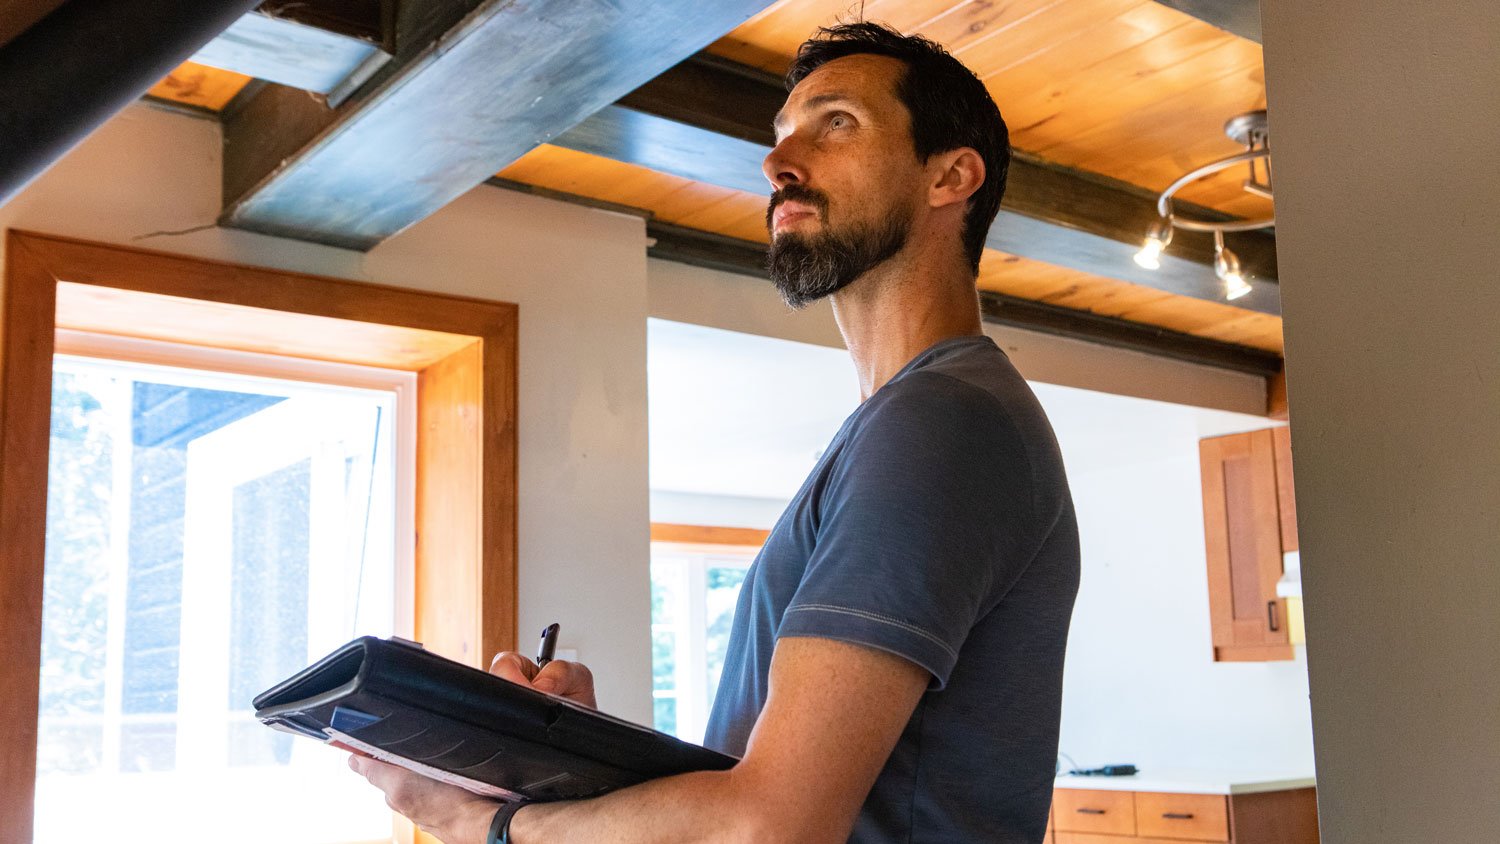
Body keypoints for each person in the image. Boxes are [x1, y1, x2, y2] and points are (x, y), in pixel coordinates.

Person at [349, 22, 1080, 843]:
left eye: (835, 123)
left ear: (951, 175)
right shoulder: (908, 422)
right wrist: (583, 760)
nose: (777, 163)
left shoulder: (941, 422)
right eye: (780, 136)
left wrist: (494, 827)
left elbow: (771, 826)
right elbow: (759, 792)